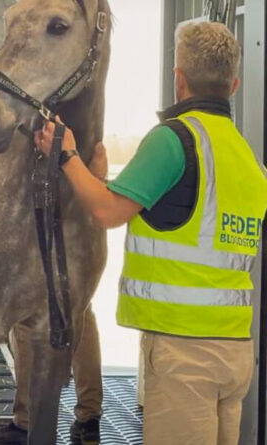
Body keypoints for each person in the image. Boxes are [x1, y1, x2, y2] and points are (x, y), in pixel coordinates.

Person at [34, 22, 267, 444]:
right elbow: (184, 215)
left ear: (179, 79)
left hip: (184, 353)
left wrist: (66, 155)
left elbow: (108, 212)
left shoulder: (174, 140)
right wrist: (98, 179)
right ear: (232, 86)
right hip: (234, 351)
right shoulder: (245, 157)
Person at [0, 148, 108, 445]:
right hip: (87, 208)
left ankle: (26, 421)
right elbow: (98, 159)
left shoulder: (42, 124)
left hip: (44, 210)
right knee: (80, 310)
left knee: (27, 317)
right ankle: (89, 418)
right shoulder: (87, 126)